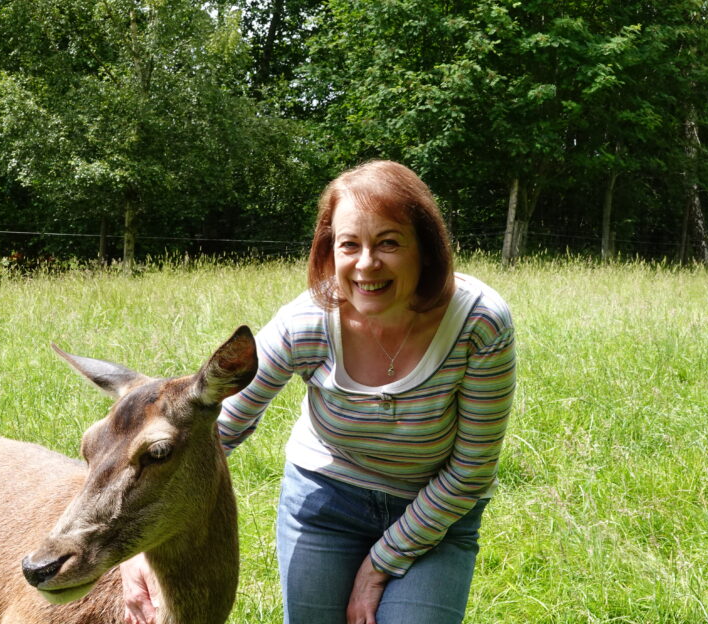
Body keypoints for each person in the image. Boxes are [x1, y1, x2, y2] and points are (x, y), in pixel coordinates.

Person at [120, 160, 516, 624]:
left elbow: (471, 469)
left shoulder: (480, 323)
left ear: (425, 249)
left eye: (388, 242)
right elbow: (214, 430)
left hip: (435, 511)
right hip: (326, 501)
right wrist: (144, 546)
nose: (366, 263)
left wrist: (378, 566)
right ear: (330, 252)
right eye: (350, 245)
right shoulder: (305, 324)